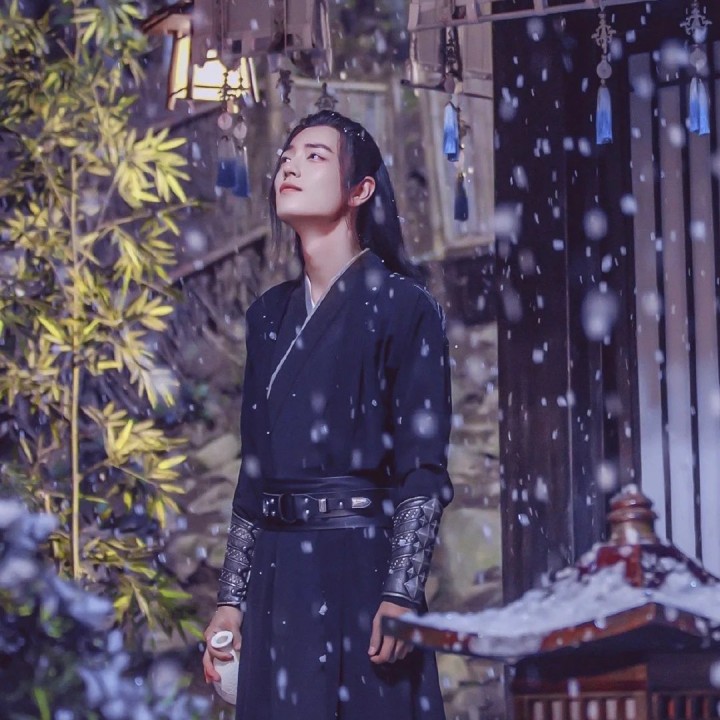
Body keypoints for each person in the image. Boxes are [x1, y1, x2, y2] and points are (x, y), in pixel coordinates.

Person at [202, 109, 453, 720]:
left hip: (361, 569)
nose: (289, 165)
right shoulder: (268, 316)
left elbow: (422, 469)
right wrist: (231, 600)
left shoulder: (404, 307)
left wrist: (401, 591)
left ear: (360, 189)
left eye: (314, 156)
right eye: (287, 155)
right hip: (278, 576)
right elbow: (254, 475)